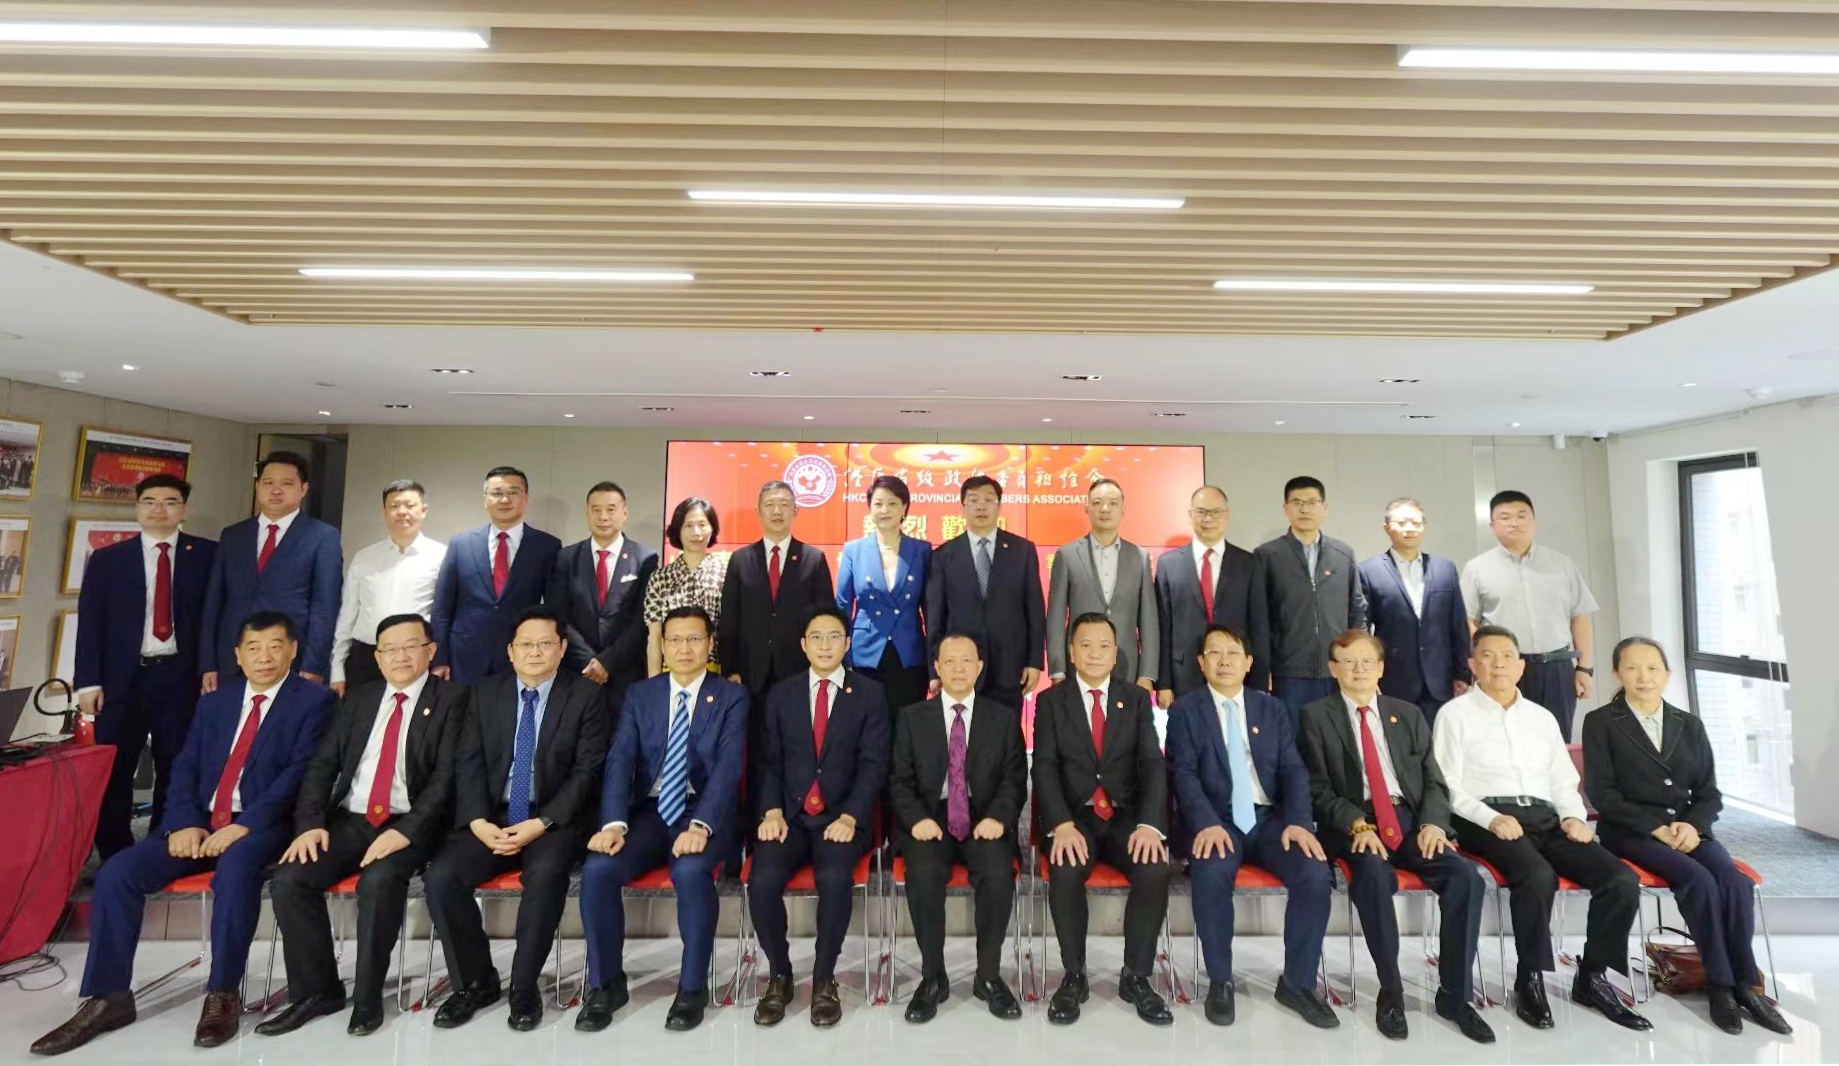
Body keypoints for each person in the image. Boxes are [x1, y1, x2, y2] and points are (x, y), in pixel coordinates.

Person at [32, 613, 333, 1056]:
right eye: (253, 648)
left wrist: (244, 825)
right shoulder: (215, 703)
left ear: (292, 650)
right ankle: (109, 997)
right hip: (200, 822)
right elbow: (185, 767)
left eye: (275, 647)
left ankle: (223, 993)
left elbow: (301, 773)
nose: (264, 657)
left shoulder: (314, 702)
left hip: (263, 823)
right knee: (118, 873)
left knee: (235, 870)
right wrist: (183, 821)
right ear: (238, 655)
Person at [1433, 625, 1649, 1032]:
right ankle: (1529, 977)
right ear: (1473, 665)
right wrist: (1490, 818)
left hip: (1547, 818)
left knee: (1620, 879)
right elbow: (1447, 785)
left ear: (1521, 666)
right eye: (1488, 656)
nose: (1498, 664)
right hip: (1485, 818)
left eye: (1507, 657)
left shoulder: (1541, 718)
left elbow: (1563, 779)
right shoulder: (1454, 715)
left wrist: (1574, 817)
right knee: (1536, 876)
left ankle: (1593, 976)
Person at [260, 614, 466, 1037]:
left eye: (411, 646)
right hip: (352, 818)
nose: (400, 656)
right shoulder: (358, 699)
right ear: (377, 656)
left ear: (430, 651)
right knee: (290, 880)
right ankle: (318, 991)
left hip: (414, 822)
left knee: (379, 880)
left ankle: (368, 996)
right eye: (389, 648)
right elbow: (321, 766)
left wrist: (406, 831)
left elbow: (447, 778)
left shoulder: (454, 699)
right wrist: (310, 823)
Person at [1581, 637, 1791, 1035]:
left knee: (1735, 882)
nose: (1644, 677)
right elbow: (1602, 793)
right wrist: (1657, 827)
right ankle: (1721, 985)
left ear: (1667, 673)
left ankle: (1746, 985)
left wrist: (1693, 825)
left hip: (1689, 831)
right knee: (1697, 880)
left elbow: (1709, 793)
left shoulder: (1689, 724)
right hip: (1632, 832)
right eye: (1632, 668)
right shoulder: (1602, 722)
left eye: (1653, 668)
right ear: (1617, 673)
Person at [1297, 631, 1493, 1044]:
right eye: (1349, 662)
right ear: (1333, 669)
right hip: (1356, 824)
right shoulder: (1315, 716)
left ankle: (1455, 996)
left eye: (1367, 661)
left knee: (1466, 878)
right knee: (1372, 876)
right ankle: (1391, 991)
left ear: (1381, 668)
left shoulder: (1407, 714)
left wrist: (1434, 824)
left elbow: (1434, 781)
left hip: (1410, 822)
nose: (1359, 669)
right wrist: (1355, 823)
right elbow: (1316, 788)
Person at [423, 606, 611, 1032]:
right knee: (442, 878)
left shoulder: (586, 696)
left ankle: (524, 988)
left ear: (562, 648)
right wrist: (476, 820)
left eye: (545, 643)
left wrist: (542, 823)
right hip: (492, 817)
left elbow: (587, 771)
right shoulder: (483, 693)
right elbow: (467, 762)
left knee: (544, 877)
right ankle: (475, 982)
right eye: (526, 644)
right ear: (510, 651)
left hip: (552, 820)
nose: (535, 652)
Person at [577, 606, 748, 1034]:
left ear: (710, 644)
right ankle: (606, 985)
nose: (684, 648)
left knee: (690, 871)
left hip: (704, 812)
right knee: (598, 871)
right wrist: (613, 824)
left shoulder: (731, 696)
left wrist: (701, 825)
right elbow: (620, 760)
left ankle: (691, 989)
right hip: (650, 813)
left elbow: (728, 766)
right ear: (663, 646)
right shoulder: (641, 694)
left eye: (694, 639)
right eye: (675, 640)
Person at [1167, 623, 1336, 1030]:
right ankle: (1220, 981)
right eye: (1214, 653)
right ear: (1201, 663)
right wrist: (1205, 823)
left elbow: (1294, 770)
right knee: (1211, 874)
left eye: (1233, 653)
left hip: (1271, 820)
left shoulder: (1270, 708)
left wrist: (1299, 822)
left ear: (1248, 663)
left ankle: (1297, 984)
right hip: (1218, 819)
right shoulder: (1185, 711)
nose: (1224, 661)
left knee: (1314, 875)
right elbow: (1182, 774)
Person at [745, 607, 888, 1027]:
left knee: (834, 878)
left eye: (834, 637)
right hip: (788, 817)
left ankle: (825, 979)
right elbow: (769, 761)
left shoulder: (869, 694)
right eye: (817, 638)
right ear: (804, 645)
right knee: (762, 880)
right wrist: (772, 810)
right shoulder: (782, 694)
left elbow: (874, 764)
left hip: (841, 819)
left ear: (847, 644)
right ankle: (780, 976)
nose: (825, 645)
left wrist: (851, 815)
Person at [1034, 613, 1172, 1026]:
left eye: (1104, 646)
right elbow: (1044, 767)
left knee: (1154, 868)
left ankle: (1137, 976)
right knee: (1065, 868)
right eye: (1086, 645)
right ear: (1071, 653)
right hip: (1073, 819)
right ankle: (1074, 975)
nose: (1095, 653)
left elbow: (1152, 764)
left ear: (1116, 655)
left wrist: (1150, 825)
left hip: (1126, 817)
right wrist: (1060, 825)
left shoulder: (1135, 699)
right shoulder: (1051, 701)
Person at [74, 473, 218, 860]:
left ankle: (163, 844)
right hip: (121, 679)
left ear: (183, 509)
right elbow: (91, 623)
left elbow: (216, 619)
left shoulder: (207, 555)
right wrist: (87, 681)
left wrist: (212, 667)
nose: (159, 509)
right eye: (150, 501)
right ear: (137, 507)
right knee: (115, 767)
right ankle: (115, 852)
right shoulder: (108, 559)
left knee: (177, 764)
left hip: (179, 676)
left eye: (170, 502)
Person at [890, 631, 1027, 1024]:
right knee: (924, 874)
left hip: (985, 818)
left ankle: (988, 976)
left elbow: (1014, 779)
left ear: (980, 666)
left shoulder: (1003, 718)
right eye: (949, 661)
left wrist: (998, 817)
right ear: (936, 667)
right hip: (929, 820)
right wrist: (916, 820)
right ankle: (933, 977)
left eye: (967, 661)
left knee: (998, 875)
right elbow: (898, 780)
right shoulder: (912, 717)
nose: (959, 669)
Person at [720, 480, 835, 814]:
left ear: (796, 511)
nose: (777, 511)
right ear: (758, 511)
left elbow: (825, 620)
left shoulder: (813, 559)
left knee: (799, 750)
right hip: (751, 676)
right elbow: (729, 620)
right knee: (756, 753)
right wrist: (731, 669)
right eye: (770, 504)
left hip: (798, 674)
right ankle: (757, 823)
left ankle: (797, 817)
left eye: (784, 504)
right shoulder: (741, 560)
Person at [1460, 491, 1598, 740]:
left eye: (1522, 516)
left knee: (1556, 740)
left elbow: (1580, 616)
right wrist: (1482, 664)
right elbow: (1469, 621)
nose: (1514, 522)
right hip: (1505, 669)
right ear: (1492, 525)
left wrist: (1584, 668)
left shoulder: (1562, 564)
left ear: (1534, 521)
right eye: (1505, 517)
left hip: (1557, 669)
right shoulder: (1477, 569)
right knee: (1506, 739)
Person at [200, 451, 343, 689]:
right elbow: (214, 601)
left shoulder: (322, 536)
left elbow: (325, 607)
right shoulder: (233, 535)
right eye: (268, 483)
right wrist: (208, 662)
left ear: (304, 489)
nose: (276, 490)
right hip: (233, 660)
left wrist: (313, 665)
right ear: (257, 486)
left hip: (291, 660)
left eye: (286, 484)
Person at [431, 466, 562, 686]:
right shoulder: (460, 545)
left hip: (521, 657)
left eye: (513, 492)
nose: (505, 499)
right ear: (485, 500)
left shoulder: (547, 546)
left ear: (526, 499)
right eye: (497, 493)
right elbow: (442, 608)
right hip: (464, 658)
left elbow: (553, 609)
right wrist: (439, 659)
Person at [1250, 476, 1367, 723]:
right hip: (1289, 671)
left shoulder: (1343, 554)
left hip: (1338, 669)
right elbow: (1259, 619)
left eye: (1312, 502)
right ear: (1286, 509)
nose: (1305, 509)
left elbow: (1357, 612)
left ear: (1325, 508)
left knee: (1337, 738)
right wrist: (1262, 669)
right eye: (1297, 503)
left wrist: (1361, 662)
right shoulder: (1267, 555)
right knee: (1293, 737)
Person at [924, 476, 1046, 711]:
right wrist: (934, 668)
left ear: (999, 507)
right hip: (960, 670)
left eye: (988, 500)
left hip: (1010, 667)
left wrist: (1034, 661)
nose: (981, 506)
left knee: (1009, 730)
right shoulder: (943, 556)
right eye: (973, 500)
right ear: (962, 509)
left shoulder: (1022, 550)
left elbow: (1035, 610)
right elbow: (935, 619)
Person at [1357, 498, 1470, 726]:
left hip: (1440, 680)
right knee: (1398, 741)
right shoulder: (1368, 571)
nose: (1409, 528)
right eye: (1401, 523)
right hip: (1394, 679)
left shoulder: (1445, 569)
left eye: (1416, 523)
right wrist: (1369, 672)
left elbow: (1457, 625)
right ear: (1387, 528)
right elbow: (1363, 631)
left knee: (1439, 741)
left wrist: (1463, 673)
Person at [548, 481, 658, 711]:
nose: (603, 517)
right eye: (596, 510)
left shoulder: (646, 559)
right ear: (586, 514)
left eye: (610, 509)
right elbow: (559, 616)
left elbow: (642, 621)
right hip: (578, 674)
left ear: (624, 513)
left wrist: (607, 662)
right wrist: (588, 662)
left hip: (625, 674)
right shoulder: (566, 558)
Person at [329, 479, 446, 695]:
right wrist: (337, 667)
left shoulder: (441, 556)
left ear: (423, 510)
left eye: (409, 505)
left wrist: (441, 660)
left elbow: (446, 615)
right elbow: (347, 616)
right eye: (394, 506)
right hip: (366, 658)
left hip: (417, 657)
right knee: (360, 715)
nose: (402, 512)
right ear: (384, 512)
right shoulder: (364, 558)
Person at [1046, 479, 1160, 699]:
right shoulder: (1067, 555)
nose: (1105, 509)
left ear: (1123, 510)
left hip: (1127, 666)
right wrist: (1058, 670)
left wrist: (1147, 674)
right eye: (1097, 503)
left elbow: (1149, 620)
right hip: (1079, 665)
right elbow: (1056, 618)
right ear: (1087, 509)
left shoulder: (1139, 557)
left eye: (1113, 503)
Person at [1157, 486, 1260, 712]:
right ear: (1190, 515)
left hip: (1233, 669)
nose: (1208, 518)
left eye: (1216, 512)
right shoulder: (1168, 564)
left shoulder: (1249, 563)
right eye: (1201, 512)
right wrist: (1164, 682)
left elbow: (1259, 623)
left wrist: (1259, 680)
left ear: (1227, 515)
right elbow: (1164, 627)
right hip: (1184, 671)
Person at [834, 474, 930, 715]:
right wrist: (841, 657)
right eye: (878, 504)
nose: (884, 510)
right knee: (866, 725)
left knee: (907, 725)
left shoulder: (922, 551)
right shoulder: (853, 550)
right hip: (865, 654)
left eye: (892, 503)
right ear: (870, 508)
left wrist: (934, 663)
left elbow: (932, 610)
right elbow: (842, 605)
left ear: (904, 508)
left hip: (909, 655)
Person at [642, 497, 730, 676]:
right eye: (688, 525)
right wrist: (654, 682)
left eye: (702, 525)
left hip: (714, 672)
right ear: (678, 530)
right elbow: (655, 636)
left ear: (712, 528)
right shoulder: (660, 578)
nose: (696, 532)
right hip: (671, 672)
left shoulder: (726, 574)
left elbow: (732, 632)